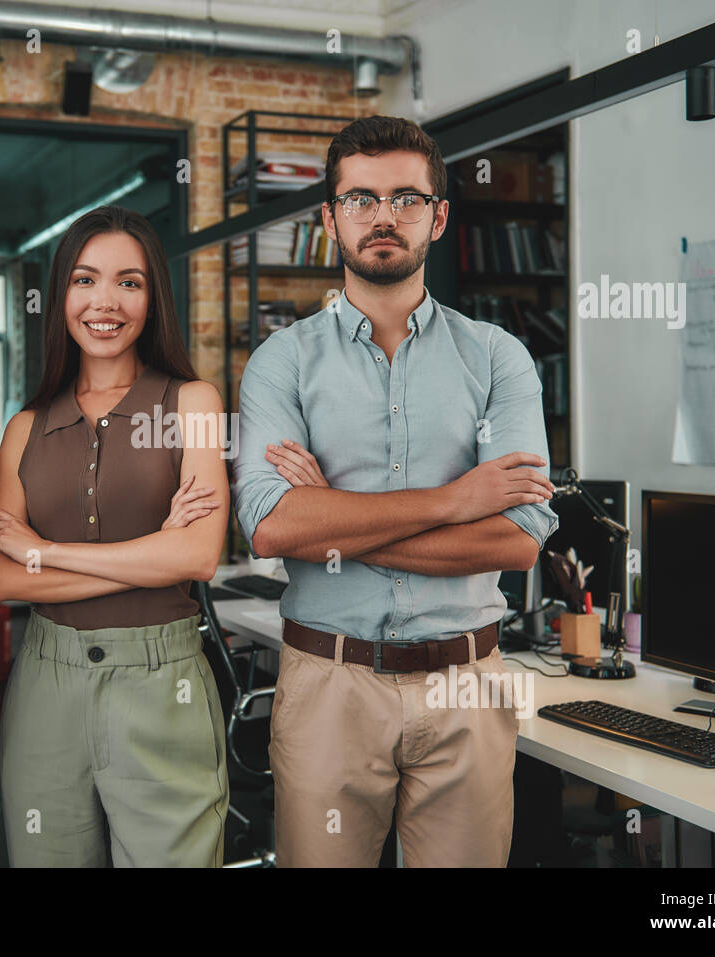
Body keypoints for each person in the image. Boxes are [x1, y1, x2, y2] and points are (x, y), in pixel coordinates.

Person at [232, 114, 559, 867]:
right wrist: (458, 497)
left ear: (438, 216)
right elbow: (275, 529)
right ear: (330, 218)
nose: (383, 217)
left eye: (406, 199)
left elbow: (517, 537)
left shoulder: (498, 357)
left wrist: (336, 518)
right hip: (329, 684)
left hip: (467, 685)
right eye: (361, 199)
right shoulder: (281, 363)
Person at [0, 205, 230, 867]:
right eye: (85, 280)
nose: (105, 301)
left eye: (130, 282)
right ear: (61, 293)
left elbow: (200, 553)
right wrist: (154, 555)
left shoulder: (194, 403)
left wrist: (46, 552)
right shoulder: (25, 426)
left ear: (154, 298)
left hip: (161, 682)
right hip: (44, 688)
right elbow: (1, 580)